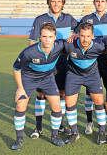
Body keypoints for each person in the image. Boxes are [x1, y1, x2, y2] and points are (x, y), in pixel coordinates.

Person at [29, 0, 78, 139]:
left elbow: (83, 29)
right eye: (53, 1)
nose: (56, 4)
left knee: (62, 94)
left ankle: (60, 124)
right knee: (41, 94)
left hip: (63, 62)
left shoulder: (69, 19)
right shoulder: (40, 19)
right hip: (45, 64)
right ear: (49, 3)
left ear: (63, 3)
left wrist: (75, 34)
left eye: (59, 1)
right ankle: (38, 127)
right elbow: (32, 43)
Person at [11, 22, 66, 150]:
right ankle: (19, 139)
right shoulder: (29, 52)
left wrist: (73, 36)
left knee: (57, 105)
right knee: (20, 104)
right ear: (40, 36)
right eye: (44, 36)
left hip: (47, 78)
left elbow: (73, 43)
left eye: (50, 37)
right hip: (29, 78)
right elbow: (16, 68)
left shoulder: (60, 46)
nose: (47, 40)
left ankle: (54, 135)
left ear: (55, 37)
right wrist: (20, 88)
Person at [76, 0, 107, 135]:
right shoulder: (86, 19)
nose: (100, 3)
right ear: (94, 3)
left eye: (102, 1)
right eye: (97, 1)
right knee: (90, 93)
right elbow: (76, 35)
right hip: (92, 60)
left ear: (106, 3)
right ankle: (89, 122)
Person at [63, 22, 106, 145]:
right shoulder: (69, 45)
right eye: (82, 36)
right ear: (78, 35)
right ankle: (74, 133)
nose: (85, 39)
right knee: (69, 103)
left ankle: (102, 132)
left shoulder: (99, 45)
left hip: (92, 75)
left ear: (93, 36)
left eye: (88, 36)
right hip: (74, 75)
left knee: (99, 101)